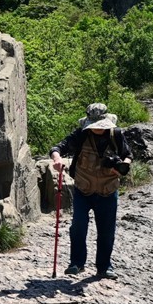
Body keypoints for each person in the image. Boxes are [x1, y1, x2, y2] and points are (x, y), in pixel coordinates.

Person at [49, 102, 132, 280]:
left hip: (108, 191)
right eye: (94, 126)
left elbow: (128, 155)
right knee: (78, 227)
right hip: (83, 190)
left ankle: (104, 267)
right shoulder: (81, 134)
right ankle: (76, 264)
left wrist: (123, 165)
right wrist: (57, 159)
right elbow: (58, 148)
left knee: (106, 231)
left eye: (100, 126)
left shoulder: (116, 135)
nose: (97, 129)